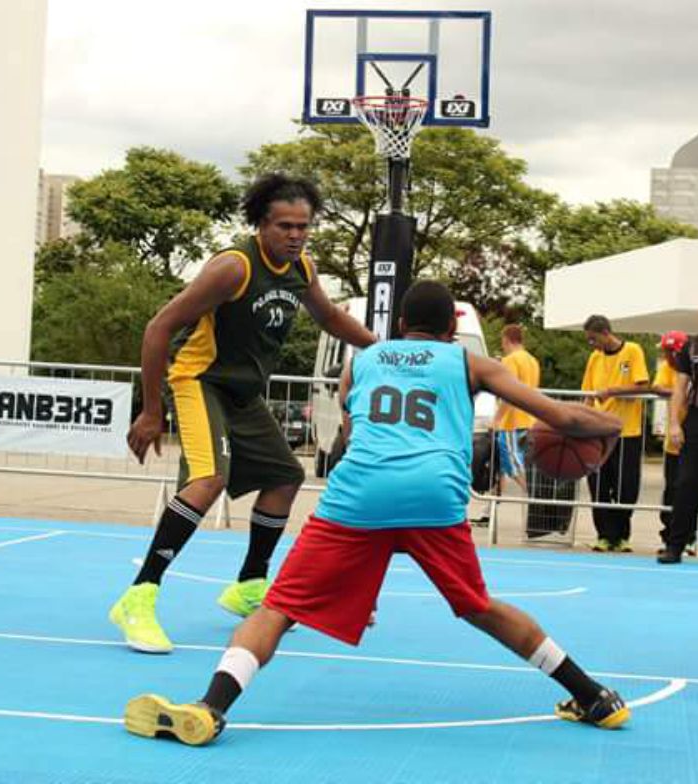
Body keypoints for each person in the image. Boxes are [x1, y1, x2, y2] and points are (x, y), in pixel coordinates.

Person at [123, 280, 629, 745]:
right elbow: (558, 417)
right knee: (479, 606)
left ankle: (210, 708)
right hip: (434, 496)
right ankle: (593, 697)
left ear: (400, 326)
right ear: (452, 329)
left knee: (277, 608)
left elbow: (350, 433)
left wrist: (356, 576)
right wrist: (605, 425)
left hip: (359, 494)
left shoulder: (361, 361)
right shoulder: (468, 363)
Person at [110, 174, 377, 652]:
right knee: (209, 479)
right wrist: (151, 412)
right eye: (284, 226)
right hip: (199, 381)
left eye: (303, 226)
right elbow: (158, 328)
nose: (295, 235)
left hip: (243, 394)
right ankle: (139, 596)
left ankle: (250, 584)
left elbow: (332, 319)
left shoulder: (303, 269)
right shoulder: (234, 268)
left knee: (285, 476)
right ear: (260, 224)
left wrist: (384, 351)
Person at [581, 315, 650, 553]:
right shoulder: (594, 358)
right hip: (599, 431)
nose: (592, 344)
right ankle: (604, 535)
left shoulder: (632, 351)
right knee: (598, 483)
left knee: (625, 486)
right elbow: (588, 394)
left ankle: (621, 535)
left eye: (593, 339)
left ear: (605, 333)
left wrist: (613, 391)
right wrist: (582, 422)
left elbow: (643, 386)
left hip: (627, 431)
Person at [658, 294, 698, 564]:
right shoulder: (691, 346)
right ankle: (675, 545)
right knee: (687, 482)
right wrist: (675, 423)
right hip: (697, 417)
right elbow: (679, 387)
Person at [650, 331, 690, 550]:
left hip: (694, 438)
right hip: (673, 441)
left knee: (691, 489)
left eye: (668, 352)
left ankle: (689, 536)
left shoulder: (691, 366)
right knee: (671, 490)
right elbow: (656, 387)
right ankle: (669, 536)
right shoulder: (667, 368)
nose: (665, 356)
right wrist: (677, 393)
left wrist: (677, 393)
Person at [493, 324, 541, 492]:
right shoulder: (532, 361)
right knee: (519, 464)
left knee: (512, 464)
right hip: (529, 419)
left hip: (512, 421)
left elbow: (509, 392)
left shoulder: (511, 360)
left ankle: (532, 494)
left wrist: (497, 419)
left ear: (506, 340)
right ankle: (490, 507)